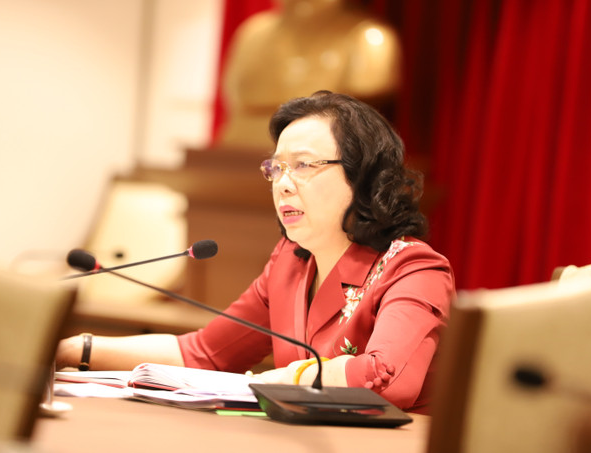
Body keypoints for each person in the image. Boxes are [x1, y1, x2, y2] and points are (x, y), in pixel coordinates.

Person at [56, 91, 455, 414]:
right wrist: (75, 349)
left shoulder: (413, 269)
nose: (283, 184)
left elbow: (388, 380)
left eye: (303, 166)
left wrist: (281, 380)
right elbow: (204, 353)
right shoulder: (290, 263)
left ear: (362, 176)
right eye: (276, 168)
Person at [218, 0, 402, 149]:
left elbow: (370, 89)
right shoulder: (253, 34)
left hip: (320, 157)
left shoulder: (369, 39)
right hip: (236, 154)